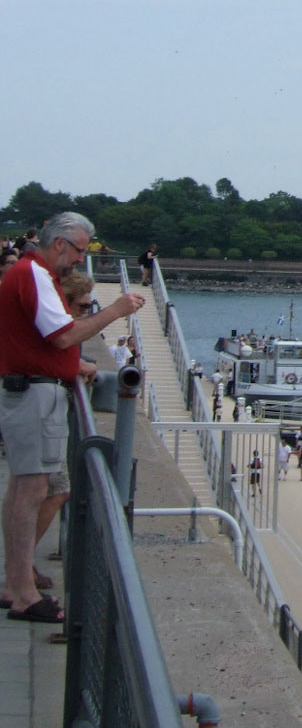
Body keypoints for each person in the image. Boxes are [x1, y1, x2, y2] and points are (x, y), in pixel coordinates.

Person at [0, 212, 144, 621]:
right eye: (80, 250)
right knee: (30, 491)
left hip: (28, 388)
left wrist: (69, 365)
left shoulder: (30, 274)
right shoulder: (34, 275)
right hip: (31, 393)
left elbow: (47, 338)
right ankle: (23, 595)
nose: (82, 259)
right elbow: (63, 334)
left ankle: (14, 583)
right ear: (60, 244)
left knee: (23, 490)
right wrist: (115, 310)